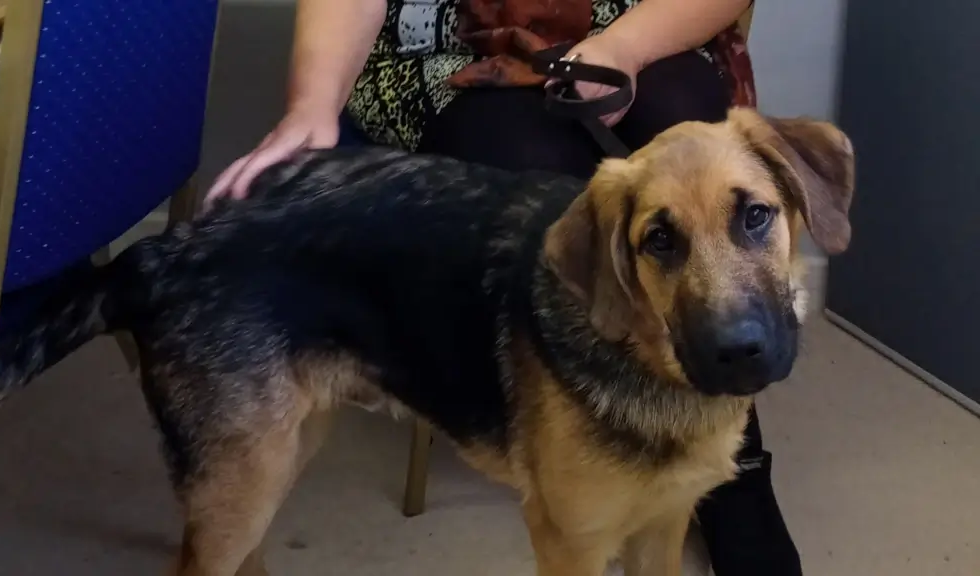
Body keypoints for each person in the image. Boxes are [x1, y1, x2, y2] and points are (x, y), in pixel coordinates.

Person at [207, 1, 802, 574]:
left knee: (686, 112)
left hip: (631, 23)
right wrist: (312, 104)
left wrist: (623, 45)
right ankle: (575, 433)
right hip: (449, 49)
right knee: (524, 154)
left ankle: (730, 455)